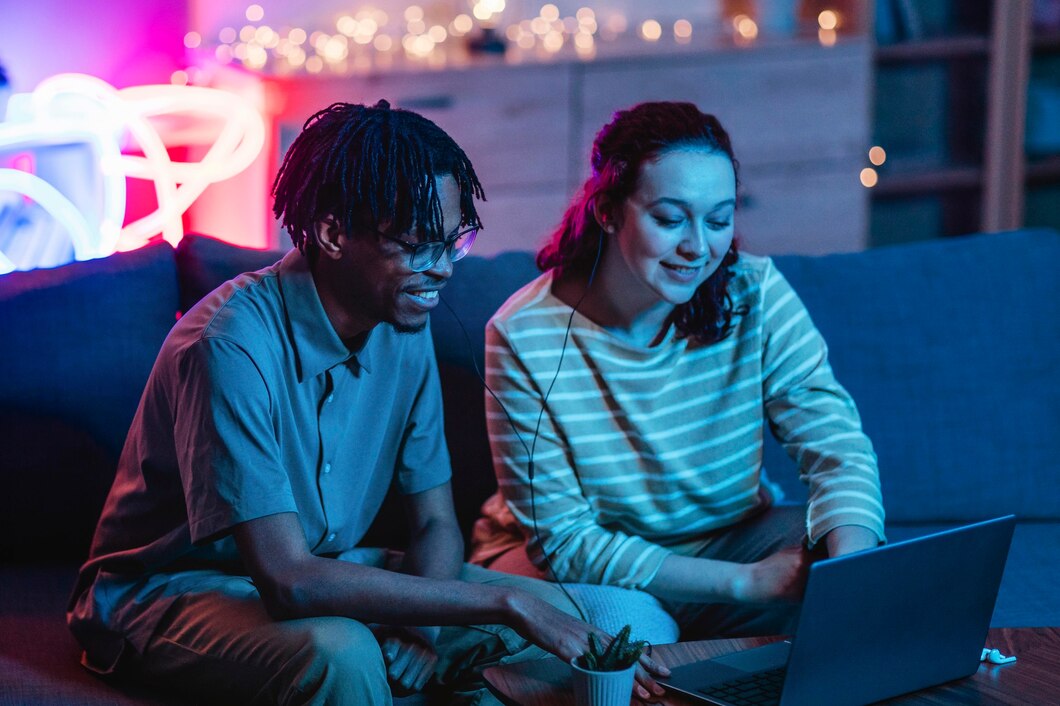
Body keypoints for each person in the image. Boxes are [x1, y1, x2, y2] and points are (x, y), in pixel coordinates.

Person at [67, 100, 667, 705]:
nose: (442, 270)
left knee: (595, 619)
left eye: (454, 241)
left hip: (334, 567)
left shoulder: (402, 318)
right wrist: (506, 601)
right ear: (332, 233)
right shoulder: (228, 345)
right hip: (174, 592)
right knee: (343, 655)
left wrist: (423, 629)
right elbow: (289, 581)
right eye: (417, 244)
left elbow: (435, 522)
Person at [469, 101, 886, 639]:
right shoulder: (523, 334)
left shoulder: (754, 292)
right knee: (632, 635)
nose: (698, 247)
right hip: (570, 564)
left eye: (719, 219)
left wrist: (849, 574)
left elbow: (838, 450)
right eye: (669, 219)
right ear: (608, 211)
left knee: (858, 568)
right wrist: (748, 583)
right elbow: (565, 542)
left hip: (729, 540)